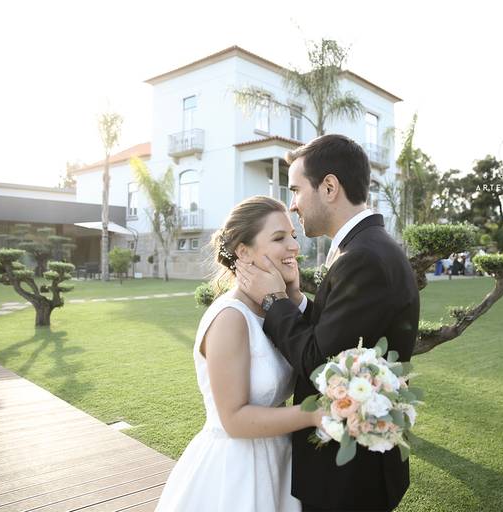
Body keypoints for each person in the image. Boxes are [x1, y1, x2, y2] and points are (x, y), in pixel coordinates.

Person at [235, 134, 419, 512]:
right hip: (353, 463)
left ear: (330, 187)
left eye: (297, 190)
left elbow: (323, 363)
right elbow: (341, 333)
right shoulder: (367, 248)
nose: (293, 204)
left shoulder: (363, 257)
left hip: (349, 475)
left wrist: (273, 301)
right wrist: (299, 301)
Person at [155, 196, 323, 512]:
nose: (294, 247)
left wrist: (294, 294)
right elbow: (233, 419)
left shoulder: (276, 308)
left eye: (293, 236)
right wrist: (314, 414)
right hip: (236, 470)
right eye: (279, 238)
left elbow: (313, 349)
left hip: (279, 461)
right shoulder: (231, 318)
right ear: (243, 252)